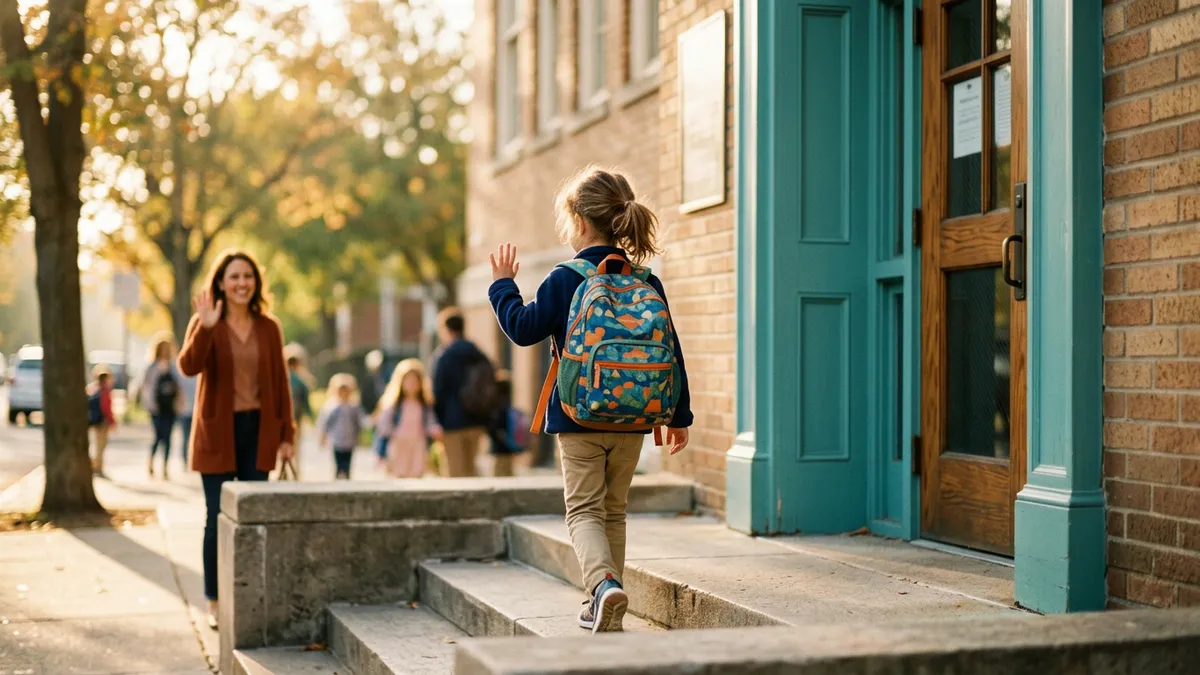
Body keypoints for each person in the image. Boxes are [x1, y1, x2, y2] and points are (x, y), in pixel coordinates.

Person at [487, 166, 693, 633]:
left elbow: (522, 328)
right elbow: (672, 352)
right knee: (613, 510)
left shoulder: (567, 278)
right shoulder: (646, 280)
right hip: (636, 421)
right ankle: (603, 597)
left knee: (583, 511)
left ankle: (601, 587)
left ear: (579, 222)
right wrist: (679, 416)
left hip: (579, 417)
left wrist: (502, 285)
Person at [178, 248, 295, 631]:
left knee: (251, 517)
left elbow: (280, 384)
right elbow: (188, 366)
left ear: (255, 282)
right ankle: (214, 599)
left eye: (248, 276)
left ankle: (245, 594)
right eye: (234, 277)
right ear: (221, 283)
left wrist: (286, 435)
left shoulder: (269, 327)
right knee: (216, 517)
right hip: (218, 434)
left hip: (258, 433)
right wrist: (206, 326)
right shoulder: (207, 321)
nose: (242, 283)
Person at [430, 308, 497, 477]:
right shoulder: (478, 354)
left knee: (454, 472)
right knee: (471, 470)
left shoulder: (444, 356)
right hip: (477, 419)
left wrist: (437, 420)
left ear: (446, 329)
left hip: (451, 422)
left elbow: (438, 390)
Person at [375, 358, 442, 478]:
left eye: (415, 381)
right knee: (400, 472)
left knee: (417, 471)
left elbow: (429, 421)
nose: (412, 384)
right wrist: (381, 451)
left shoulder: (424, 404)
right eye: (408, 381)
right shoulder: (395, 404)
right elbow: (385, 426)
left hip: (418, 443)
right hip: (399, 443)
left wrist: (434, 429)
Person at [138, 336, 182, 479]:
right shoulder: (152, 367)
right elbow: (146, 386)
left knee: (168, 438)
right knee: (158, 436)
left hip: (170, 408)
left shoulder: (173, 366)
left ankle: (165, 467)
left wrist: (179, 403)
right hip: (156, 408)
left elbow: (179, 387)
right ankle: (151, 462)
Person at [317, 373, 371, 480]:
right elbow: (325, 423)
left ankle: (346, 479)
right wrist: (322, 436)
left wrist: (367, 427)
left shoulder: (353, 407)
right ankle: (338, 479)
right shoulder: (332, 407)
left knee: (347, 464)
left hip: (350, 441)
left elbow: (360, 421)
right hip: (337, 441)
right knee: (338, 464)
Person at [486, 370, 528, 477]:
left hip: (499, 445)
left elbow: (493, 425)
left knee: (499, 472)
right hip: (508, 444)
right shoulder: (507, 404)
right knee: (508, 471)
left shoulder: (496, 406)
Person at [287, 352, 313, 478]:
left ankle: (286, 469)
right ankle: (296, 470)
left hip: (283, 418)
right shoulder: (300, 381)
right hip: (296, 419)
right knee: (295, 444)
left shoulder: (282, 379)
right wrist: (311, 416)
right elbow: (306, 402)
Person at [87, 366, 117, 477]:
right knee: (101, 446)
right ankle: (97, 467)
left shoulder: (92, 389)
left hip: (93, 420)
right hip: (102, 421)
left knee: (97, 445)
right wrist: (112, 421)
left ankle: (95, 465)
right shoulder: (105, 390)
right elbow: (106, 408)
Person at [178, 372, 196, 467]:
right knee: (185, 437)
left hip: (194, 411)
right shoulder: (178, 371)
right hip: (185, 410)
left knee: (190, 438)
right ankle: (185, 460)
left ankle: (190, 460)